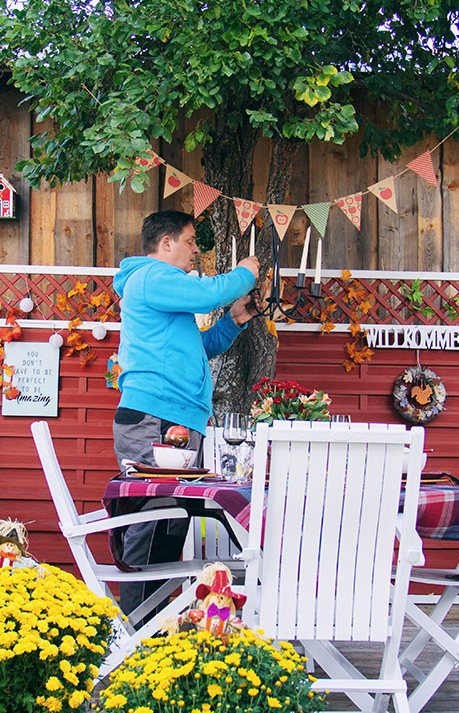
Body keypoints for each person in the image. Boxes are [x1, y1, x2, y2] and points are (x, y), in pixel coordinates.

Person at [112, 209, 258, 616]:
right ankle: (133, 630)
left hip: (175, 420)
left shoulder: (162, 290)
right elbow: (208, 294)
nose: (196, 250)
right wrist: (245, 272)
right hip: (152, 418)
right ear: (166, 243)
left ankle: (153, 623)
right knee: (150, 522)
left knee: (171, 524)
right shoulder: (151, 277)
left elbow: (200, 348)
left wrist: (233, 322)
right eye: (191, 241)